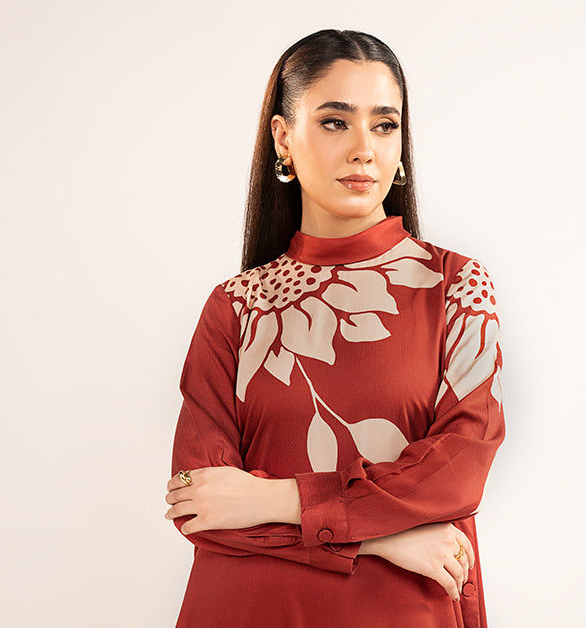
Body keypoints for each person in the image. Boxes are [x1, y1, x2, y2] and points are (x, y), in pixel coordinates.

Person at [163, 29, 505, 628]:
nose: (364, 149)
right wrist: (382, 538)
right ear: (283, 138)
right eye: (334, 122)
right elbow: (201, 503)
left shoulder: (455, 287)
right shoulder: (236, 307)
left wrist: (275, 498)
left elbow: (456, 473)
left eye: (384, 125)